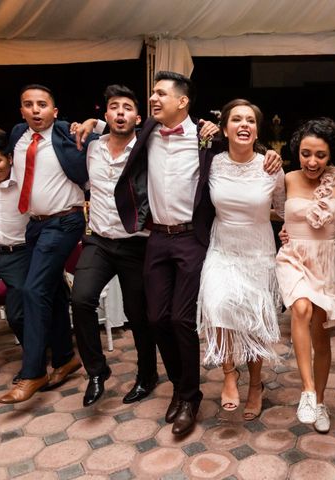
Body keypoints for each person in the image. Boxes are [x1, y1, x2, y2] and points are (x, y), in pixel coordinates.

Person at [114, 72, 281, 436]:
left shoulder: (207, 141)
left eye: (160, 94)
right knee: (156, 317)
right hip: (157, 236)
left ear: (183, 101)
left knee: (183, 319)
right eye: (152, 94)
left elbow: (251, 158)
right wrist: (90, 123)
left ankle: (192, 395)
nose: (153, 100)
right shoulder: (148, 133)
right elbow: (113, 130)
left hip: (196, 239)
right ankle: (181, 384)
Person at [0, 84, 94, 404]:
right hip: (34, 225)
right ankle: (66, 357)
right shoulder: (17, 135)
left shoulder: (67, 132)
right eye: (28, 104)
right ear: (21, 111)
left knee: (33, 290)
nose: (35, 110)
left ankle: (33, 372)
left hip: (65, 221)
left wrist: (94, 125)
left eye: (42, 105)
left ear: (54, 111)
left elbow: (98, 140)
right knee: (52, 290)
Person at [197, 98, 285, 422]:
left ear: (257, 129)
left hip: (259, 252)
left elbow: (283, 211)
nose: (244, 125)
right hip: (222, 249)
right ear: (225, 128)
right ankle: (230, 373)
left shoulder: (271, 166)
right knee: (216, 305)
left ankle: (256, 385)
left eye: (250, 120)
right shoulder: (211, 162)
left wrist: (291, 230)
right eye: (237, 119)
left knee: (255, 323)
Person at [71, 85, 158, 407]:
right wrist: (89, 125)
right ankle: (96, 371)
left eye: (127, 108)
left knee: (139, 316)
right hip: (99, 240)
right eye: (114, 107)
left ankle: (147, 375)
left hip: (136, 244)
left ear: (137, 116)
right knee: (81, 300)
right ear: (106, 114)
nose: (121, 113)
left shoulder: (147, 149)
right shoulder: (92, 148)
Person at [275, 118, 335, 432]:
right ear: (298, 152)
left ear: (330, 155)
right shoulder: (287, 178)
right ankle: (306, 392)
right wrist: (283, 229)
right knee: (301, 308)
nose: (312, 161)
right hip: (293, 258)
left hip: (324, 262)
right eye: (306, 153)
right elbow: (272, 210)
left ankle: (320, 401)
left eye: (320, 154)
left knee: (322, 337)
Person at [0, 131, 30, 382]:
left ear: (10, 158)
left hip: (20, 254)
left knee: (17, 315)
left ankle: (34, 361)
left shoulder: (26, 179)